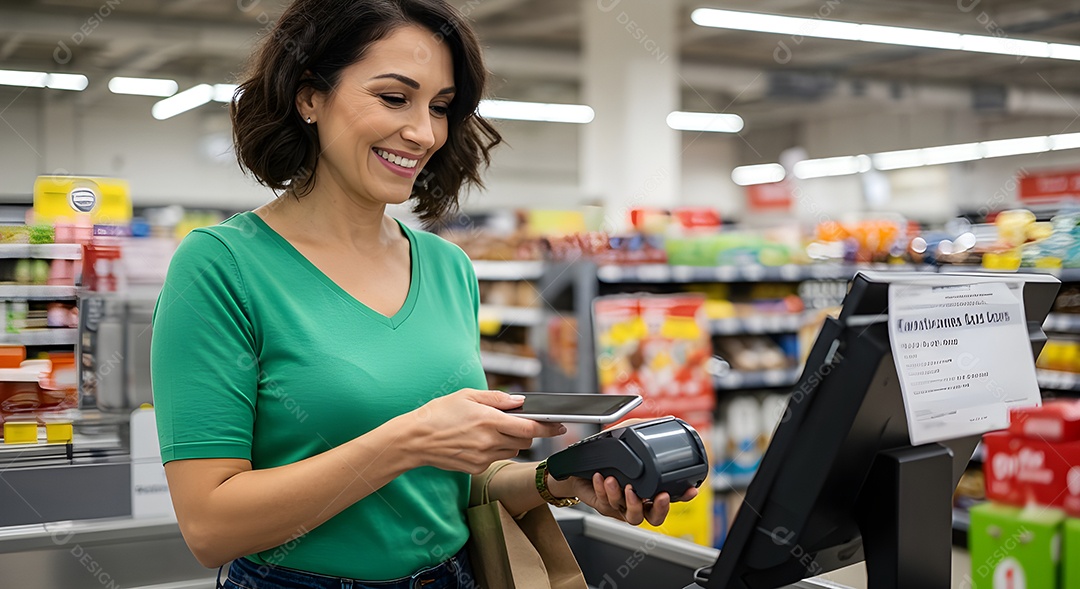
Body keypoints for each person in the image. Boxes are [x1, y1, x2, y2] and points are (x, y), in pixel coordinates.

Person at [151, 1, 697, 587]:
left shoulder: (446, 267)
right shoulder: (222, 267)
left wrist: (559, 480)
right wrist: (408, 441)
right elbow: (210, 527)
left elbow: (459, 485)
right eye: (393, 98)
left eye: (440, 107)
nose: (424, 132)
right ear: (309, 96)